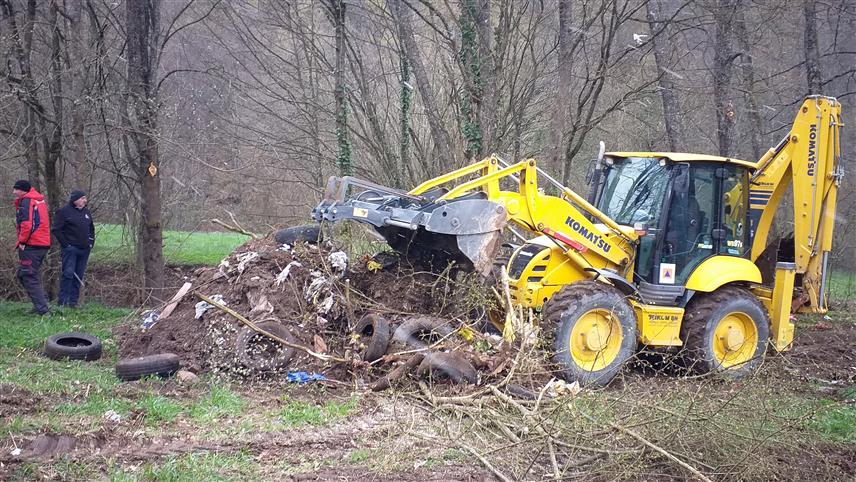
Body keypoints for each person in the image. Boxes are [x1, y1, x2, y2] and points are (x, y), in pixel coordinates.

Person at [12, 180, 51, 315]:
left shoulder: (27, 201)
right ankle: (40, 304)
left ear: (22, 190)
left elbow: (27, 224)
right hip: (41, 244)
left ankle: (43, 310)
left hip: (32, 245)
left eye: (16, 189)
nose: (13, 192)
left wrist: (22, 241)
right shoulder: (37, 200)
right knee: (23, 275)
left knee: (28, 276)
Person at [52, 190, 95, 308]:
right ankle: (63, 302)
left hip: (84, 250)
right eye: (82, 198)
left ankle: (73, 302)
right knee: (68, 274)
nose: (85, 201)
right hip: (70, 249)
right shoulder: (64, 212)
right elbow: (56, 229)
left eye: (85, 198)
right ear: (75, 199)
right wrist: (66, 245)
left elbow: (91, 229)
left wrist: (91, 243)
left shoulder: (86, 213)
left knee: (79, 275)